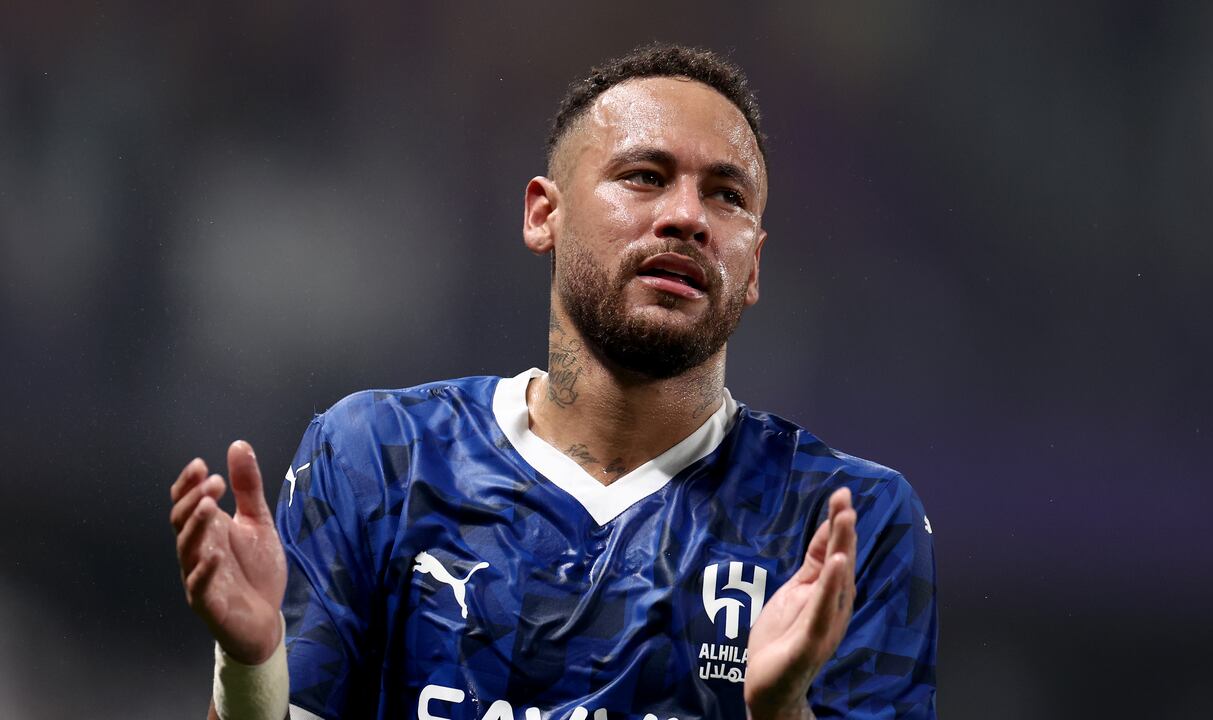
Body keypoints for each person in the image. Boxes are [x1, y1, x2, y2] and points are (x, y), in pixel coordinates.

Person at [169, 43, 938, 720]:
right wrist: (250, 667)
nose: (688, 217)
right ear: (545, 215)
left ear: (755, 265)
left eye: (726, 196)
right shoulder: (380, 461)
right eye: (645, 176)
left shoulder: (843, 524)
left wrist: (782, 713)